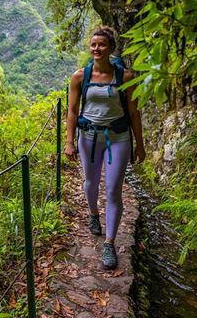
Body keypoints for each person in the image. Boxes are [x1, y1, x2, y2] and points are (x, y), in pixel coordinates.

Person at [64, 26, 145, 270]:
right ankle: (93, 214)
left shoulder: (126, 78)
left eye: (101, 45)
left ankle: (109, 243)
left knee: (113, 190)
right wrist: (69, 142)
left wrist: (139, 144)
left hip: (118, 138)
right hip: (88, 137)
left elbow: (133, 112)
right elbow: (72, 110)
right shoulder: (80, 77)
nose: (96, 49)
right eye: (93, 45)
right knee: (90, 182)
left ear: (111, 48)